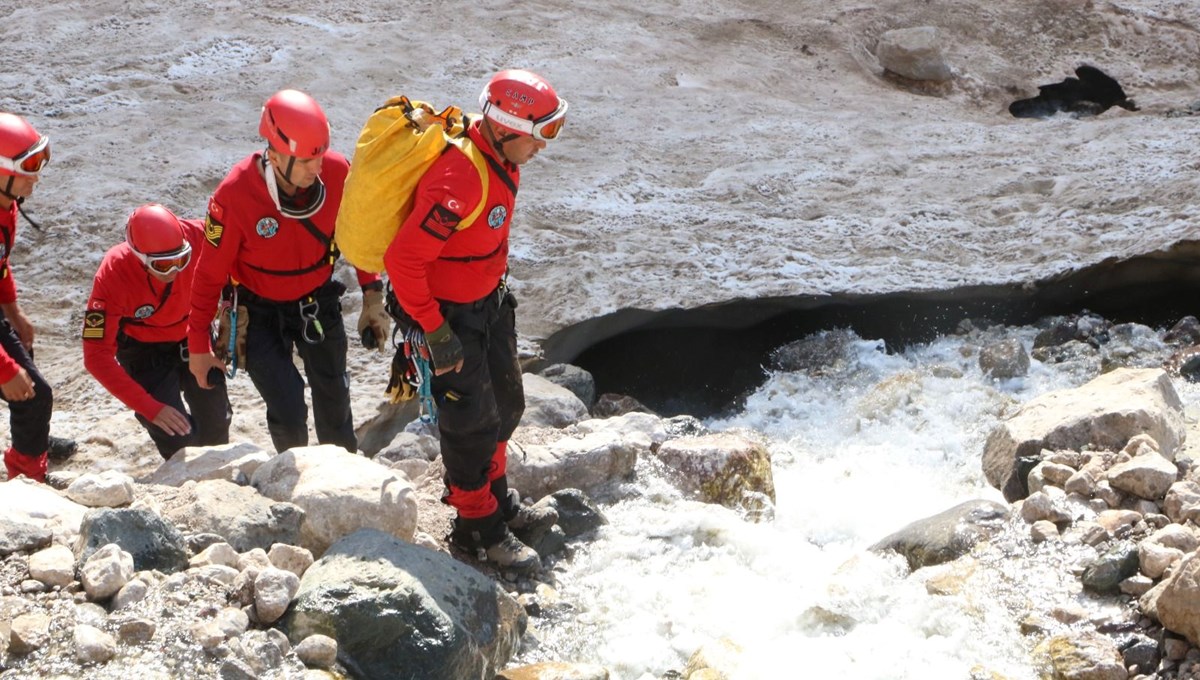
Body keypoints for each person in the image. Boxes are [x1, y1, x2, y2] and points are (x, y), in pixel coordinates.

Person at [383, 69, 567, 571]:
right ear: (506, 127)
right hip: (447, 317)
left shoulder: (501, 158)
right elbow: (403, 262)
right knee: (469, 422)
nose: (544, 146)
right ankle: (476, 527)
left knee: (506, 404)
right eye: (541, 133)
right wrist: (435, 330)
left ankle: (496, 496)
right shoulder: (459, 177)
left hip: (486, 303)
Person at [186, 89, 389, 454]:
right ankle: (294, 475)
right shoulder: (234, 195)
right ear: (276, 155)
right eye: (307, 160)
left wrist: (372, 295)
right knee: (287, 406)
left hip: (316, 301)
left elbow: (359, 235)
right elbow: (209, 273)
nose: (318, 167)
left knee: (335, 400)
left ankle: (343, 475)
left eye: (320, 156)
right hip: (258, 311)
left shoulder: (339, 175)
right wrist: (198, 344)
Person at [83, 204, 231, 459]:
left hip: (193, 333)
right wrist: (149, 408)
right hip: (144, 351)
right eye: (163, 266)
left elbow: (240, 250)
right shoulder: (112, 274)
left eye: (182, 260)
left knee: (216, 426)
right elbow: (96, 355)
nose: (174, 270)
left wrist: (230, 330)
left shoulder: (202, 234)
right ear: (139, 258)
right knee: (178, 438)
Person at [0, 113, 55, 482]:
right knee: (35, 395)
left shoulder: (7, 206)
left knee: (32, 388)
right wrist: (5, 369)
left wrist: (13, 311)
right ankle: (26, 477)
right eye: (28, 166)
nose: (36, 176)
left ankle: (31, 440)